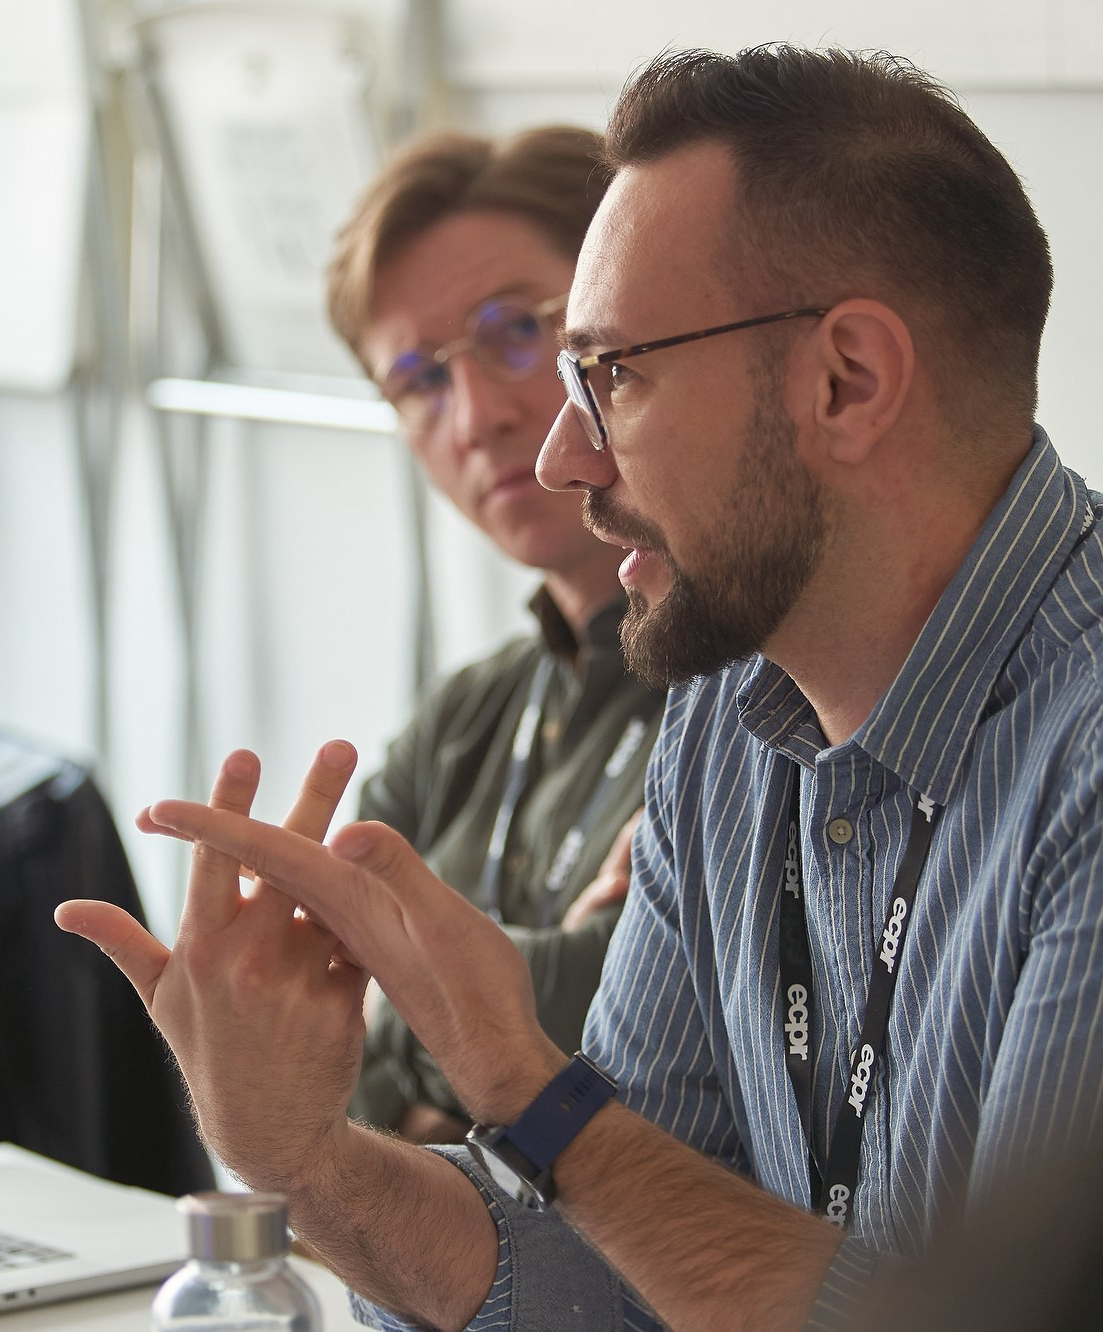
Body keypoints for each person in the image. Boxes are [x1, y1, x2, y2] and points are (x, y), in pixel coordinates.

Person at [60, 45, 1103, 1331]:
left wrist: (521, 1077)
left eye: (611, 374)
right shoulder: (730, 713)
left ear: (846, 381)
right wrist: (302, 1161)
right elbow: (604, 1269)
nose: (561, 456)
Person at [327, 127, 666, 1142]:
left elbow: (617, 1050)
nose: (474, 417)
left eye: (517, 331)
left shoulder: (767, 691)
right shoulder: (463, 718)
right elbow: (310, 1063)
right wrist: (502, 1006)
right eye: (419, 381)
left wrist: (399, 1006)